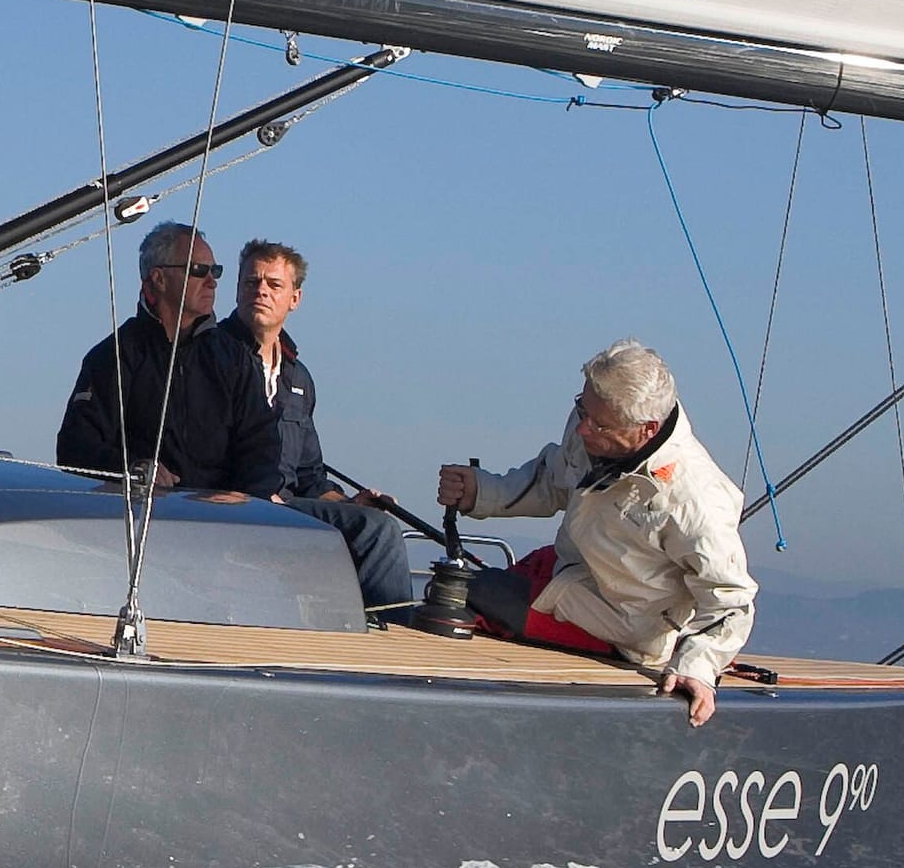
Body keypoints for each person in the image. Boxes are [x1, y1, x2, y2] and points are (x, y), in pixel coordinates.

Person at [438, 341, 754, 726]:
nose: (583, 428)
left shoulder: (696, 500)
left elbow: (731, 600)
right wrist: (482, 491)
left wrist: (697, 667)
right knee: (461, 586)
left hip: (623, 628)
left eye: (599, 425)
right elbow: (555, 479)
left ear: (647, 429)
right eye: (582, 409)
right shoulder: (596, 418)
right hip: (570, 570)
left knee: (466, 597)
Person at [219, 241, 414, 612]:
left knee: (374, 521)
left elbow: (310, 476)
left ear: (295, 298)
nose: (261, 291)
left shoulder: (299, 378)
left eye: (274, 284)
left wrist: (352, 504)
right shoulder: (211, 358)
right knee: (379, 532)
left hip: (288, 509)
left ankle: (378, 626)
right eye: (251, 282)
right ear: (238, 289)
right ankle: (397, 634)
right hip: (234, 508)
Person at [56, 220, 280, 498]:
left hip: (222, 516)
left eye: (215, 271)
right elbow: (75, 447)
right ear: (159, 279)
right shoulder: (114, 356)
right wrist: (134, 469)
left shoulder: (234, 359)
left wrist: (242, 499)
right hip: (145, 513)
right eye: (198, 270)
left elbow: (262, 447)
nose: (211, 282)